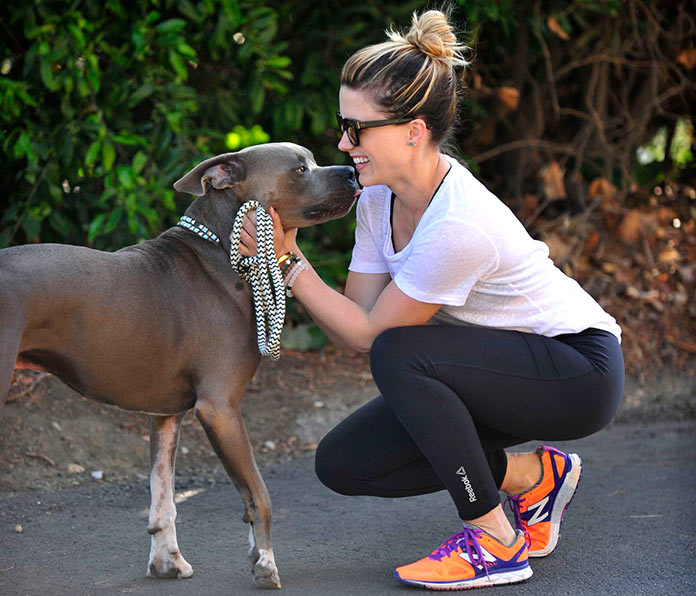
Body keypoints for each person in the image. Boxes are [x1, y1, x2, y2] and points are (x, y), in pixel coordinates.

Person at [237, 8, 624, 591]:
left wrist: (288, 260)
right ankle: (533, 478)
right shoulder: (376, 200)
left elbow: (375, 338)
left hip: (576, 372)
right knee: (344, 462)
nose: (345, 142)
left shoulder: (456, 224)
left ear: (414, 131)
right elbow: (356, 325)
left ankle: (495, 539)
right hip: (493, 368)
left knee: (399, 353)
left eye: (358, 129)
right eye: (344, 125)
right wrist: (285, 254)